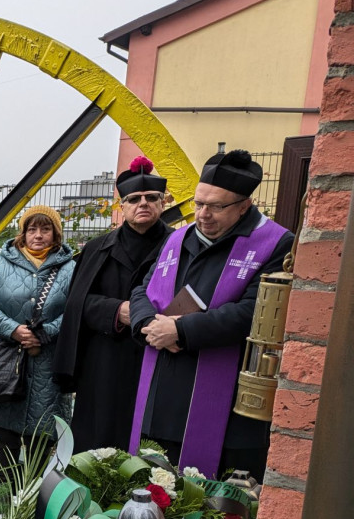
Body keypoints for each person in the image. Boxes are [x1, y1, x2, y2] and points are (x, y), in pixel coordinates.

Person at [129, 150, 294, 479]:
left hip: (225, 399)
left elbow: (255, 312)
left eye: (216, 206)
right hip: (162, 390)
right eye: (198, 203)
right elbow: (141, 290)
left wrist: (182, 331)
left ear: (243, 205)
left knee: (209, 501)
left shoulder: (275, 243)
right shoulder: (178, 238)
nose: (203, 214)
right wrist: (149, 324)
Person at [53, 156, 173, 452]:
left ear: (162, 203)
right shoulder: (98, 248)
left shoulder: (179, 245)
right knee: (98, 439)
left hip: (158, 356)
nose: (143, 203)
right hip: (105, 360)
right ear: (123, 207)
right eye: (134, 199)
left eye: (150, 198)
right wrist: (116, 311)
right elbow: (77, 302)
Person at [0, 205, 75, 466]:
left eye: (45, 228)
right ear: (23, 233)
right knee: (6, 438)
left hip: (48, 363)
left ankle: (32, 499)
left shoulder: (70, 268)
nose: (38, 235)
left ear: (56, 233)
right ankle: (6, 497)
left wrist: (45, 333)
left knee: (43, 439)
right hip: (8, 360)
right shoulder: (1, 264)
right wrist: (13, 329)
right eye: (32, 228)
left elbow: (75, 310)